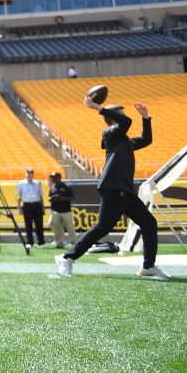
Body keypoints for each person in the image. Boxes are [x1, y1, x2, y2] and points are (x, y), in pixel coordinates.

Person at [57, 100, 167, 279]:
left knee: (148, 223)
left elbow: (147, 139)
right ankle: (67, 258)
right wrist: (99, 109)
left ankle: (148, 266)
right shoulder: (109, 133)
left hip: (125, 191)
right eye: (121, 113)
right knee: (102, 227)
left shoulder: (124, 140)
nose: (125, 116)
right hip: (113, 188)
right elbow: (127, 122)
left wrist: (146, 118)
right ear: (113, 118)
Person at [48, 171, 77, 249]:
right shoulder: (52, 187)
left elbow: (72, 197)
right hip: (56, 211)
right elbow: (49, 197)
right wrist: (52, 198)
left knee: (70, 227)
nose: (53, 179)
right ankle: (59, 243)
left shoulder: (66, 186)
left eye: (55, 177)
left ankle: (74, 243)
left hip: (66, 211)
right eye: (53, 178)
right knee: (57, 229)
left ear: (59, 177)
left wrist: (62, 198)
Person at [16, 168, 45, 247]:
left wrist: (43, 207)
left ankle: (41, 242)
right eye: (28, 173)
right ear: (25, 174)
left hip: (37, 205)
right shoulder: (21, 183)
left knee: (39, 225)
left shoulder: (37, 183)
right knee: (28, 225)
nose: (29, 175)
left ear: (33, 174)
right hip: (27, 205)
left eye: (31, 173)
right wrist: (19, 207)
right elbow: (18, 195)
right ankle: (29, 242)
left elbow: (41, 196)